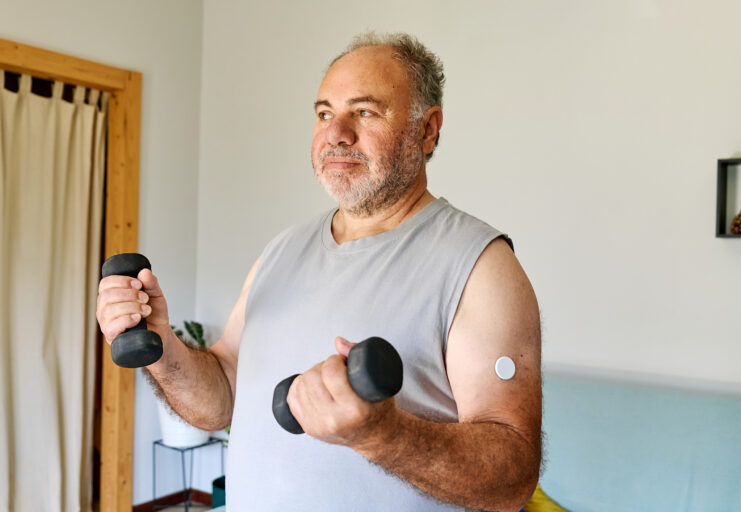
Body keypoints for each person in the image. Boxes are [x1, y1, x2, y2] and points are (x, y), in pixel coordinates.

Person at [97, 32, 542, 512]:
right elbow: (221, 398)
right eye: (325, 113)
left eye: (365, 111)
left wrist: (382, 435)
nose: (336, 133)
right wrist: (162, 349)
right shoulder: (281, 251)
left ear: (427, 130)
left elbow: (512, 478)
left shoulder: (479, 264)